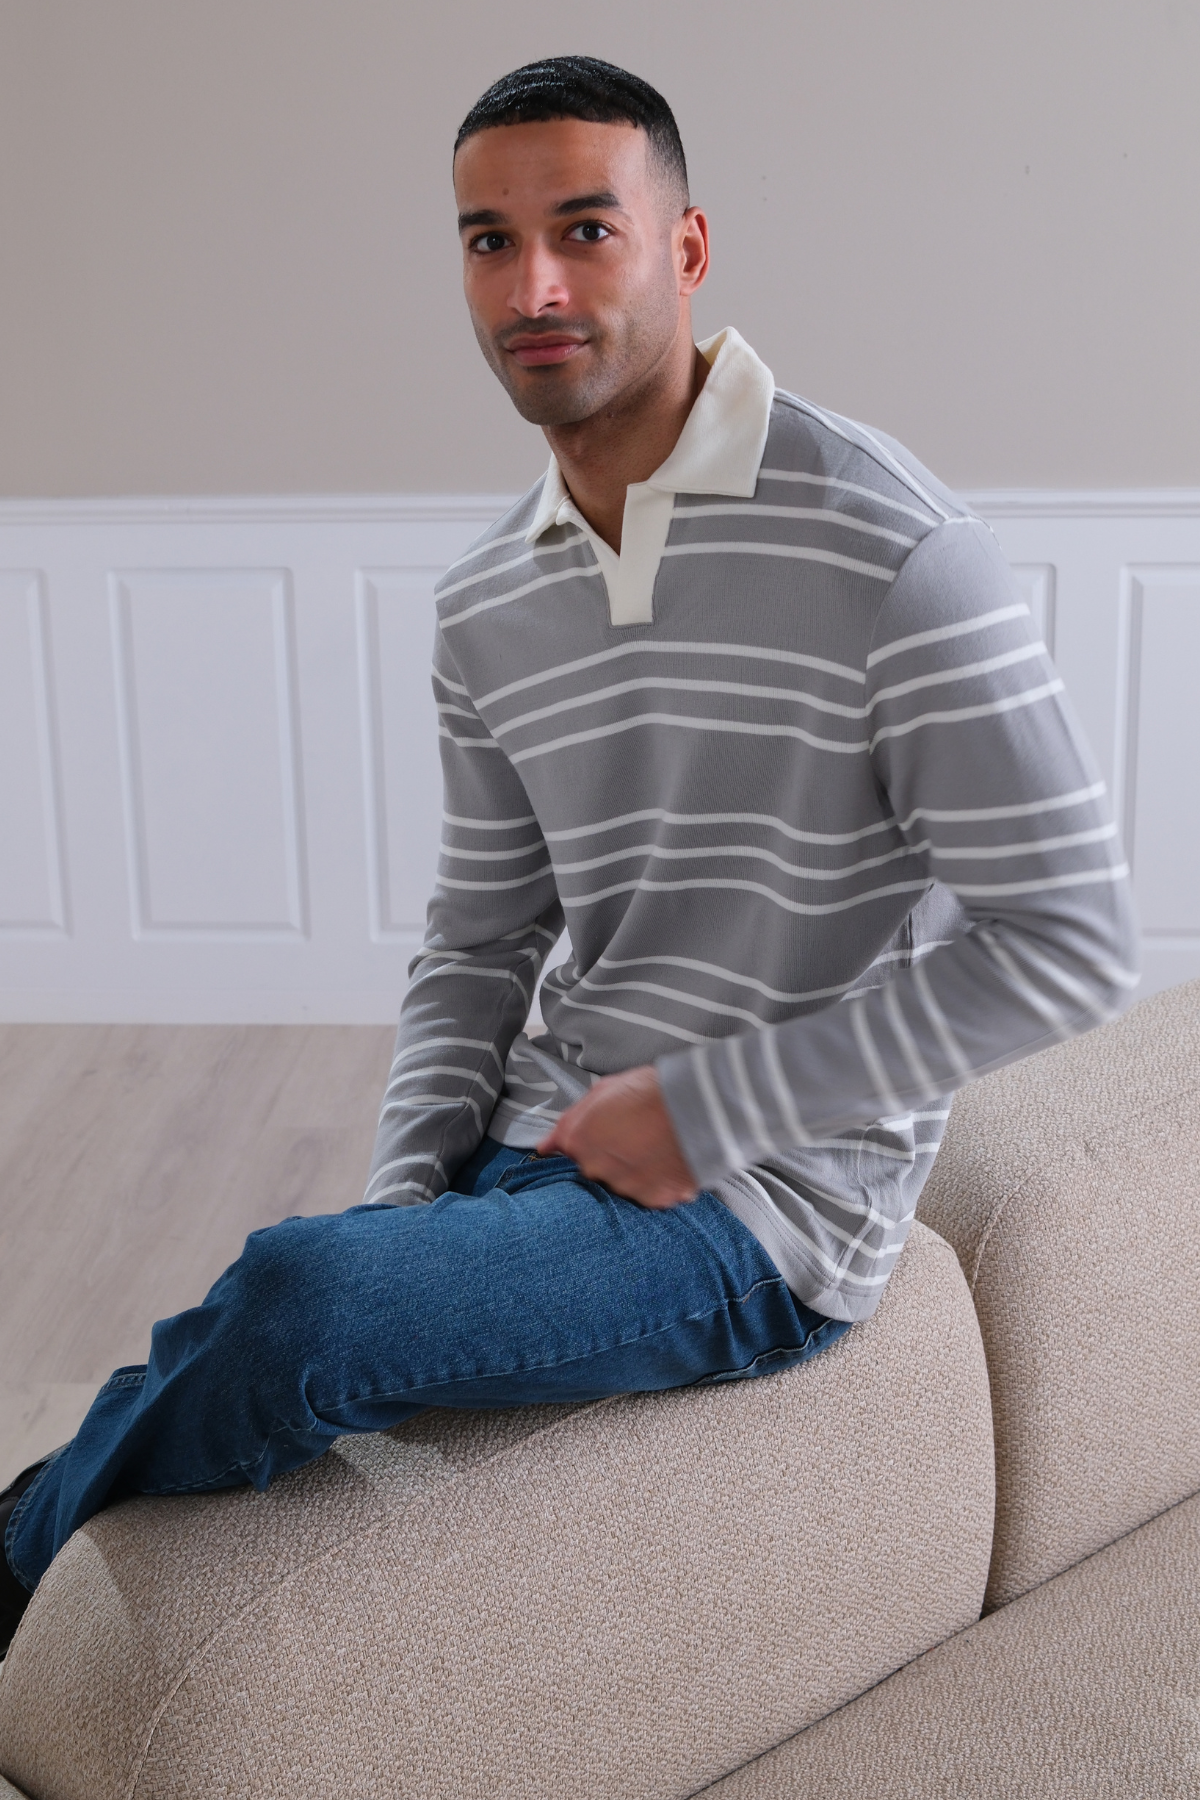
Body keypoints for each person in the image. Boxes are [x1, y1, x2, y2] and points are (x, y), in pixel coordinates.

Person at [1, 55, 1137, 1656]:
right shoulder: (488, 598)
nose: (532, 286)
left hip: (758, 1212)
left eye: (585, 230)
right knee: (308, 1299)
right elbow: (478, 945)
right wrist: (407, 1206)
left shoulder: (891, 544)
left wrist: (709, 1108)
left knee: (293, 1304)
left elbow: (1071, 937)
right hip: (543, 1131)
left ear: (686, 247)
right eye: (489, 241)